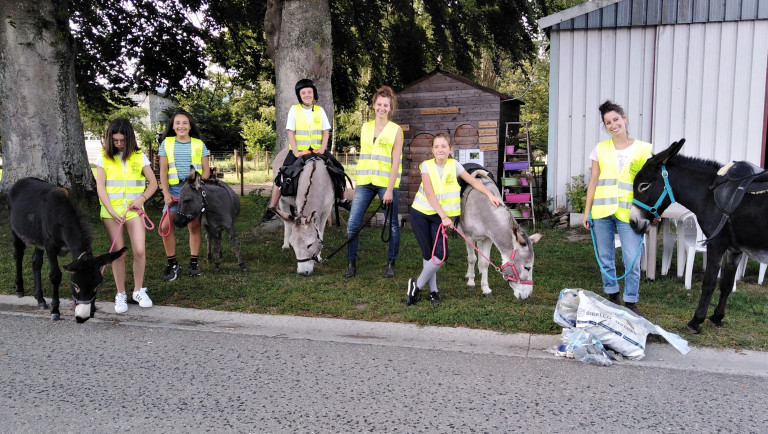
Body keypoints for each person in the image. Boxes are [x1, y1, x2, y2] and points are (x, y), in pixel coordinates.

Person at [406, 133, 501, 306]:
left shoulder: (454, 165)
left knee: (441, 256)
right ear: (432, 150)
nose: (440, 149)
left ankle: (416, 285)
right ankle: (433, 292)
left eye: (444, 146)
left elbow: (474, 182)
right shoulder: (426, 166)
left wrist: (489, 194)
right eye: (436, 146)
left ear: (451, 149)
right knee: (429, 256)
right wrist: (444, 216)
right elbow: (429, 193)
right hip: (421, 214)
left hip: (439, 218)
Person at [582, 100, 652, 316]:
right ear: (605, 126)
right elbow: (593, 180)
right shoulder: (600, 149)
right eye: (608, 122)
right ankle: (612, 296)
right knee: (605, 256)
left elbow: (650, 184)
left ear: (624, 118)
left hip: (628, 212)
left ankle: (631, 301)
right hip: (602, 212)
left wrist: (648, 211)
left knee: (631, 257)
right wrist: (587, 211)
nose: (613, 125)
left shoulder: (643, 149)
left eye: (615, 119)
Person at [260, 78, 349, 222]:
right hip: (299, 151)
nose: (307, 94)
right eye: (303, 92)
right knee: (281, 175)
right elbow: (290, 132)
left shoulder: (320, 111)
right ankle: (272, 207)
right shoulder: (294, 110)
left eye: (309, 92)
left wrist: (323, 148)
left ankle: (343, 199)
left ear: (314, 93)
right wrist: (295, 151)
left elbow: (326, 131)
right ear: (299, 95)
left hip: (316, 150)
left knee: (338, 168)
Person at [95, 118, 158, 313]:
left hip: (134, 211)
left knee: (139, 250)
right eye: (115, 140)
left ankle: (138, 290)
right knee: (119, 254)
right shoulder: (103, 157)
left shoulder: (140, 156)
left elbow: (153, 183)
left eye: (122, 140)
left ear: (130, 138)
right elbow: (100, 188)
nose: (119, 144)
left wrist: (142, 199)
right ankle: (120, 293)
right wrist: (111, 211)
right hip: (111, 212)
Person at [343, 86, 403, 279]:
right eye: (379, 104)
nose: (382, 108)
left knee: (392, 225)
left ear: (390, 107)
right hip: (364, 182)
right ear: (374, 105)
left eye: (386, 105)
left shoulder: (396, 130)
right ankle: (351, 263)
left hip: (386, 184)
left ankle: (391, 263)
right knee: (353, 223)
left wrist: (390, 189)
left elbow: (395, 162)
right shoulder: (365, 127)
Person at [158, 109, 211, 281]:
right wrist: (166, 193)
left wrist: (194, 182)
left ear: (190, 126)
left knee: (194, 226)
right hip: (173, 190)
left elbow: (206, 173)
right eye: (178, 123)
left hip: (192, 190)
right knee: (166, 227)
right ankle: (172, 263)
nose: (181, 126)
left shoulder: (199, 144)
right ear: (173, 126)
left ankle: (194, 262)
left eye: (184, 123)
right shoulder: (166, 143)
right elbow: (163, 171)